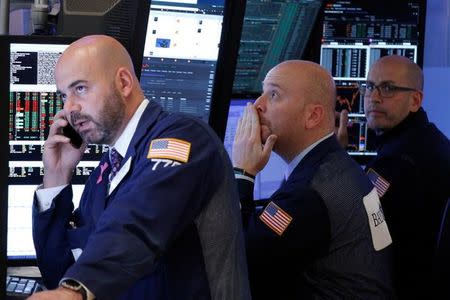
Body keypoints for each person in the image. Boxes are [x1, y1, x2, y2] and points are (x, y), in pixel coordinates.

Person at [28, 35, 251, 300]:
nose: (69, 109)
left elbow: (136, 222)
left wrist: (74, 290)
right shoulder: (105, 173)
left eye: (80, 89)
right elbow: (62, 273)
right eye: (64, 95)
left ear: (123, 83)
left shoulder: (183, 138)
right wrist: (57, 177)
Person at [232, 60, 395, 299]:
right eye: (262, 93)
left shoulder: (310, 192)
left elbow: (239, 256)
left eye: (274, 94)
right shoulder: (335, 165)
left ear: (313, 116)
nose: (257, 105)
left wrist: (242, 172)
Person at [337, 55, 450, 299]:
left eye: (388, 88)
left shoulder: (399, 162)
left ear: (415, 101)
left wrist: (333, 159)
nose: (374, 98)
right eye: (369, 87)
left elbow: (353, 225)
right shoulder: (428, 141)